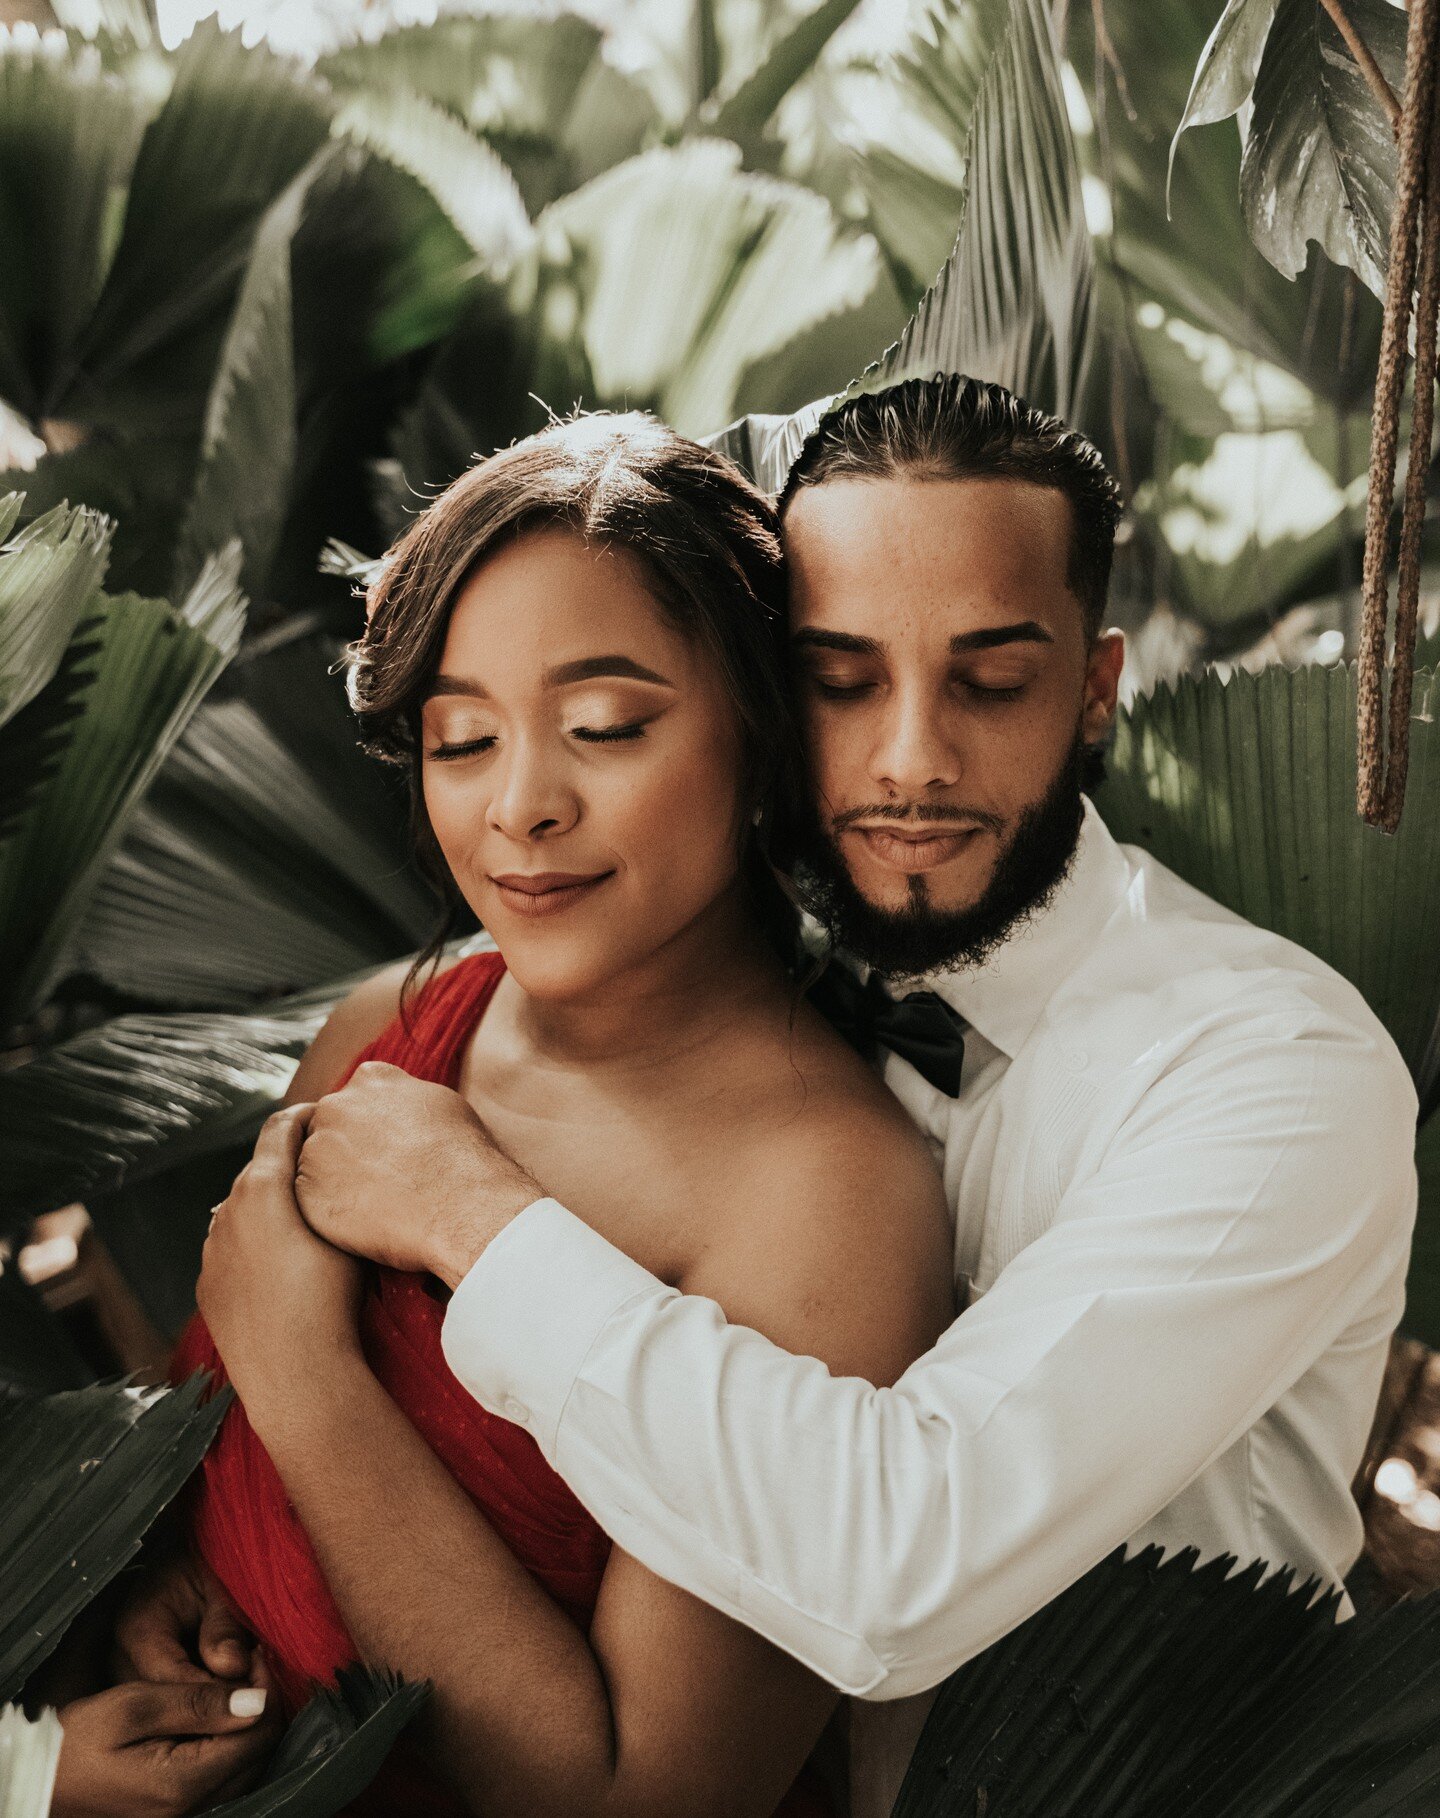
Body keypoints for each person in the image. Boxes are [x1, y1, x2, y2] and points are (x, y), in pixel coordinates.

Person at [275, 375, 1419, 1817]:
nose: (910, 758)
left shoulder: (1272, 1068)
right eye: (842, 677)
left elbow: (898, 1568)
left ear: (1096, 689)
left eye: (992, 681)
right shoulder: (757, 971)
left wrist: (480, 1224)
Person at [120, 411, 954, 1818]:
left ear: (762, 728)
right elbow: (195, 1453)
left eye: (605, 727)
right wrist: (143, 1588)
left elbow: (642, 1794)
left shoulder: (823, 1195)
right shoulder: (384, 1025)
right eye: (460, 738)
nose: (519, 807)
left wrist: (304, 1371)